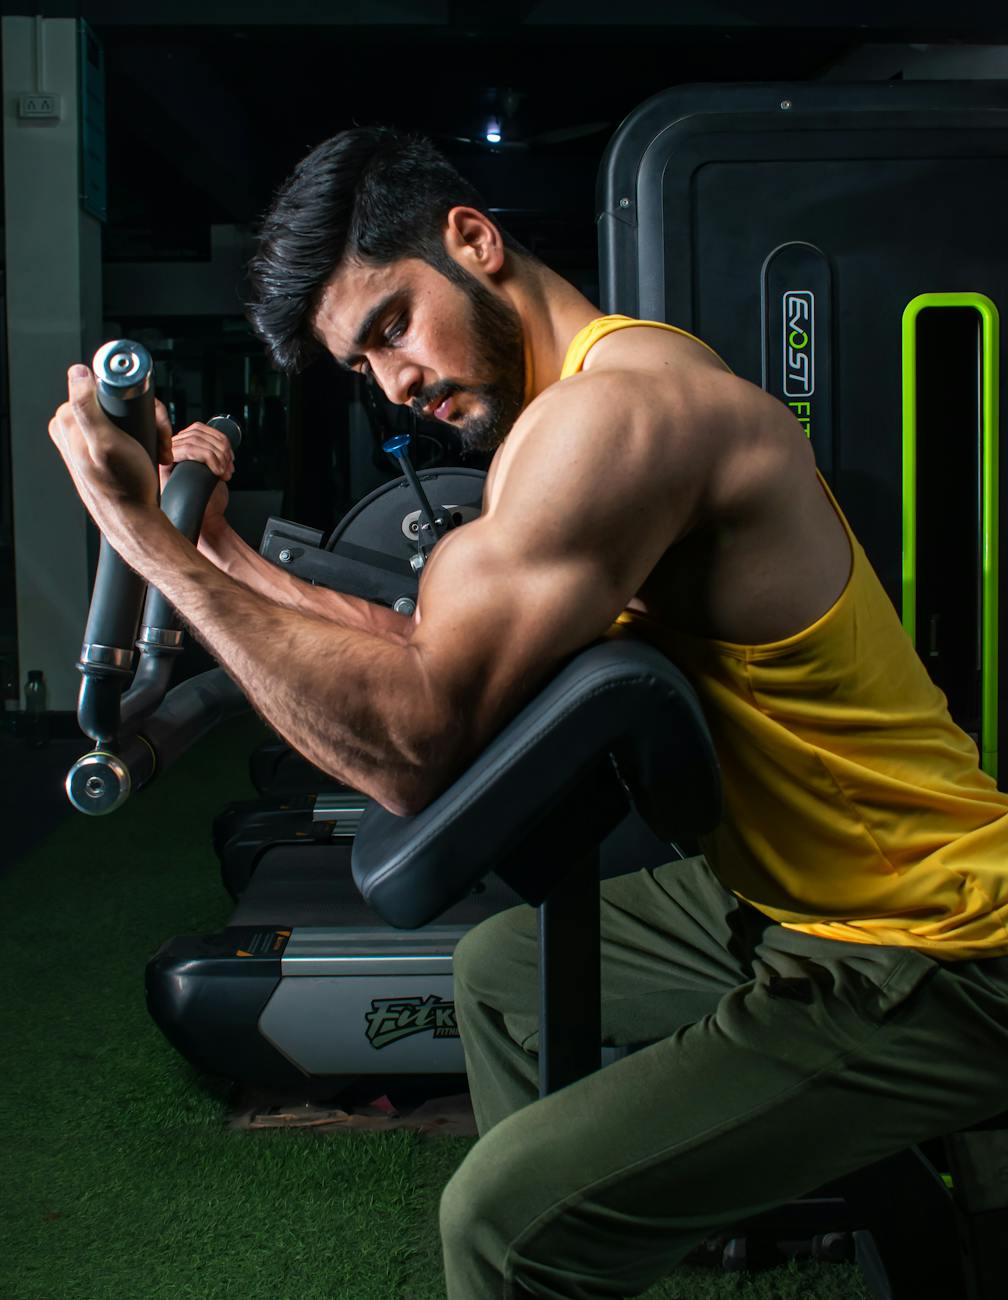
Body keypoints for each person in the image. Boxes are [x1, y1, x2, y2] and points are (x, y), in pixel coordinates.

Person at [50, 128, 1008, 1298]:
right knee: (504, 972)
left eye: (393, 324)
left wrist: (148, 541)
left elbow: (414, 742)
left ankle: (557, 1242)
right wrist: (216, 548)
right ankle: (615, 1229)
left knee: (498, 1221)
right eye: (363, 365)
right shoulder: (562, 417)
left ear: (472, 239)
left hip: (936, 946)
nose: (393, 380)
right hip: (781, 896)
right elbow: (424, 650)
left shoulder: (618, 420)